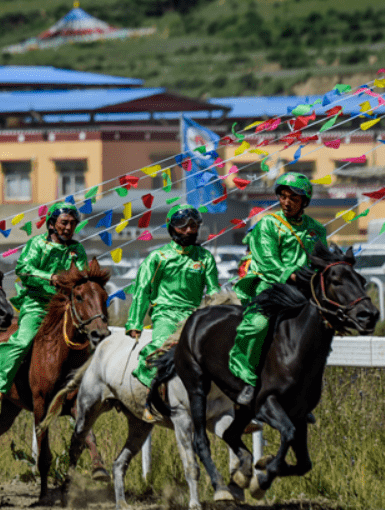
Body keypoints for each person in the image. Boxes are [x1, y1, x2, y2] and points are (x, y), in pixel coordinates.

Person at [228, 173, 326, 406]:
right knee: (258, 325)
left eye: (293, 197)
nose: (287, 202)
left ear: (305, 201)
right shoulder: (268, 224)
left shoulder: (316, 229)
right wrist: (292, 275)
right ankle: (246, 379)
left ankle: (305, 390)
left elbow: (320, 259)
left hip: (304, 289)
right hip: (269, 284)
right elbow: (268, 262)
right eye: (283, 196)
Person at [0, 201, 87, 407]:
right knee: (23, 341)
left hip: (65, 307)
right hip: (37, 305)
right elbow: (24, 269)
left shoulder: (77, 249)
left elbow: (81, 277)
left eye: (73, 223)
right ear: (51, 224)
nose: (68, 227)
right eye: (64, 223)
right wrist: (50, 278)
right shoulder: (37, 243)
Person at [126, 204, 218, 421]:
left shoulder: (205, 258)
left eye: (193, 226)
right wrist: (134, 323)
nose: (188, 230)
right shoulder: (157, 257)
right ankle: (151, 399)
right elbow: (142, 291)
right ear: (171, 228)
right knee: (159, 350)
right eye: (182, 226)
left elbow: (214, 291)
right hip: (165, 315)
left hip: (194, 316)